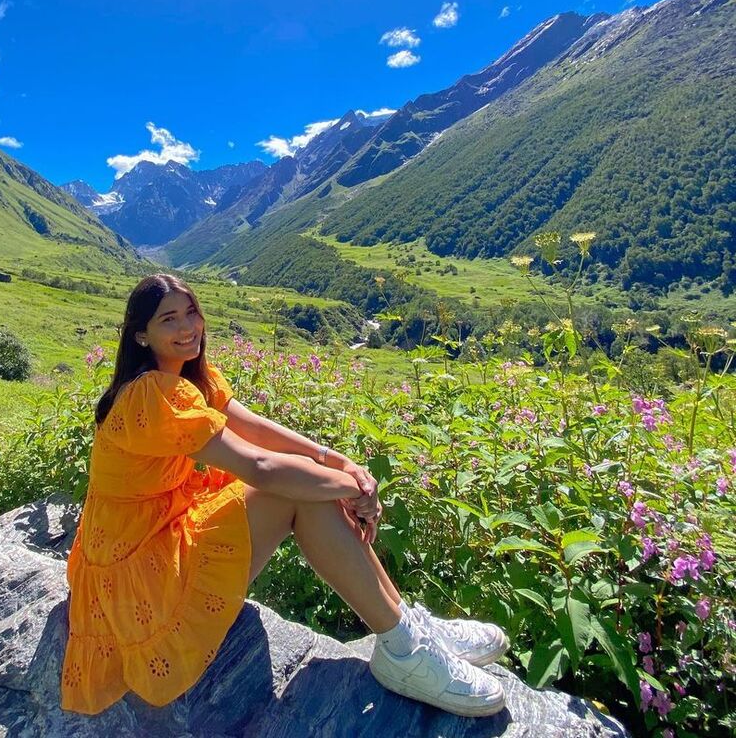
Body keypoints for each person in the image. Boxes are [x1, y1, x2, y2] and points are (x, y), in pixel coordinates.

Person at [61, 273, 508, 718]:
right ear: (141, 335)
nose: (187, 328)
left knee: (310, 483)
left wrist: (339, 464)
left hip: (161, 527)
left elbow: (255, 428)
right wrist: (353, 488)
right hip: (141, 564)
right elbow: (260, 466)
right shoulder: (153, 395)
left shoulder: (187, 377)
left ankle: (405, 629)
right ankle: (402, 650)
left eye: (192, 312)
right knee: (299, 493)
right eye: (169, 320)